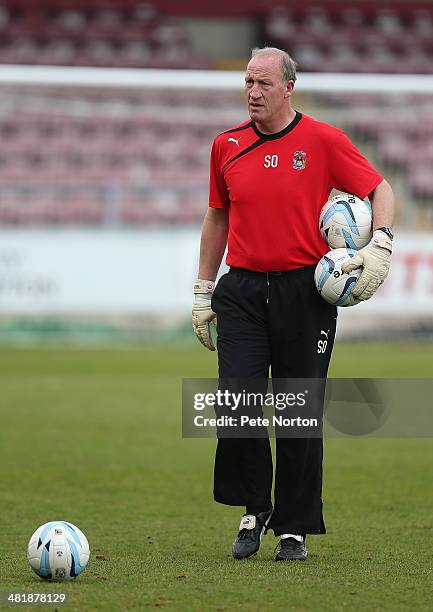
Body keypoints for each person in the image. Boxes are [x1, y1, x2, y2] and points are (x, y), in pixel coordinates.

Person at [192, 47, 394, 561]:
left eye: (263, 83)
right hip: (240, 292)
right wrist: (202, 288)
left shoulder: (323, 140)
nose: (253, 92)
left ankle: (294, 527)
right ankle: (253, 510)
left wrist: (382, 244)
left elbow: (380, 189)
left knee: (298, 412)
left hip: (303, 293)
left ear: (288, 88)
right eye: (248, 82)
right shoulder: (226, 145)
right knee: (237, 405)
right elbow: (217, 217)